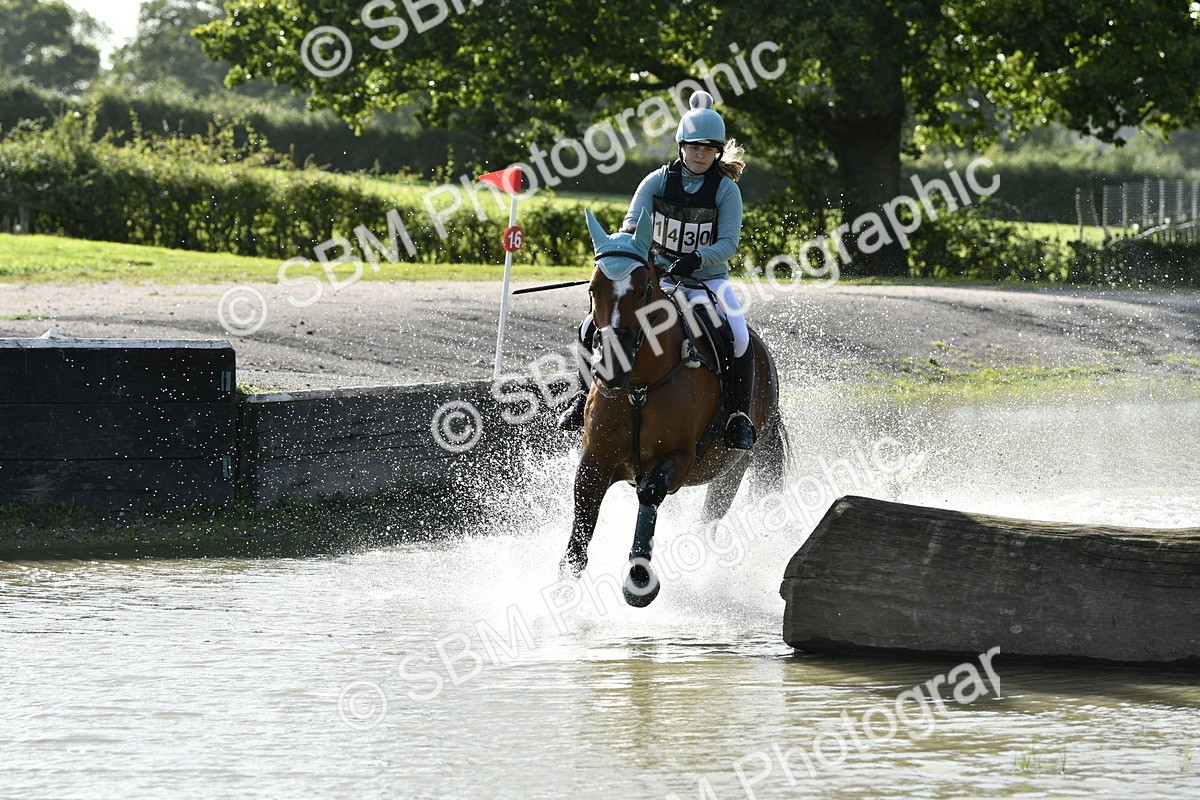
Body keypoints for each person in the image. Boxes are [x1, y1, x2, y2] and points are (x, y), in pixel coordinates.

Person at [558, 90, 756, 450]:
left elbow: (729, 244)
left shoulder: (726, 190)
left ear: (718, 152)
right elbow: (631, 227)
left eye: (709, 149)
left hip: (706, 281)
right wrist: (636, 256)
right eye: (694, 147)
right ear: (681, 146)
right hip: (658, 279)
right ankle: (580, 395)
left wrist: (696, 258)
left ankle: (737, 415)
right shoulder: (656, 182)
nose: (700, 155)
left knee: (739, 337)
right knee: (591, 324)